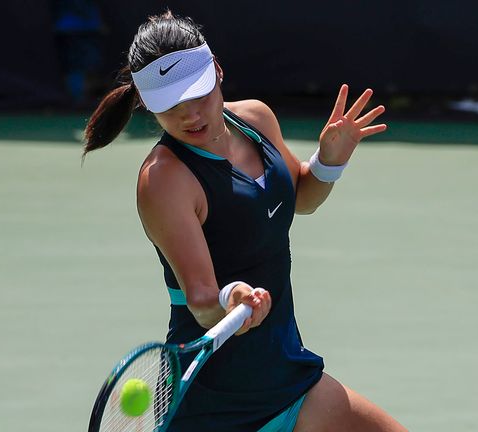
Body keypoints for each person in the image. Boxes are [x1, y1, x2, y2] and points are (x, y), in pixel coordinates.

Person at [83, 10, 406, 432]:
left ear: (217, 71)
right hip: (213, 405)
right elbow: (200, 298)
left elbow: (300, 199)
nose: (190, 115)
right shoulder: (164, 179)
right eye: (171, 105)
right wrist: (232, 297)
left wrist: (329, 160)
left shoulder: (255, 120)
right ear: (147, 103)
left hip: (288, 375)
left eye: (198, 94)